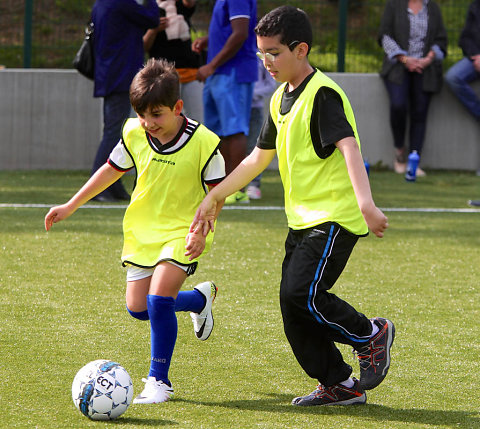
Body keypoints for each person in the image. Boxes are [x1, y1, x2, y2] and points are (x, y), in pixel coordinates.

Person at [189, 6, 394, 406]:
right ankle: (338, 384)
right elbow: (255, 159)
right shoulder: (280, 99)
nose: (266, 62)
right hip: (302, 221)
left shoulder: (323, 94)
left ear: (301, 50)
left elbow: (348, 146)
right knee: (292, 306)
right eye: (261, 53)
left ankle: (372, 335)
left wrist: (367, 204)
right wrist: (216, 195)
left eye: (275, 53)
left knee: (302, 294)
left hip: (335, 218)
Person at [45, 59, 226, 404]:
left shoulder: (205, 143)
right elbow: (111, 170)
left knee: (158, 300)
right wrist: (70, 205)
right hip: (143, 230)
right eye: (142, 114)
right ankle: (199, 300)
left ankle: (159, 382)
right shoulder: (134, 132)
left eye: (156, 115)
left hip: (184, 231)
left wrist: (203, 231)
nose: (148, 123)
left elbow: (219, 194)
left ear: (177, 107)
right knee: (139, 308)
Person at [90, 0, 160, 202]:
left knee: (116, 130)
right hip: (121, 75)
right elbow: (152, 19)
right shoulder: (121, 3)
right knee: (114, 132)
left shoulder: (101, 4)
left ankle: (113, 185)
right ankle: (100, 186)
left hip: (109, 74)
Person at [192, 0, 258, 204]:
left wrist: (211, 65)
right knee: (217, 133)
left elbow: (240, 34)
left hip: (232, 73)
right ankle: (220, 187)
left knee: (234, 130)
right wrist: (208, 40)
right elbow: (229, 31)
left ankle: (236, 190)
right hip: (220, 73)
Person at [378, 0, 447, 176]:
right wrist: (405, 59)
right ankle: (400, 153)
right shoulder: (394, 5)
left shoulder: (432, 7)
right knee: (398, 104)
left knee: (420, 112)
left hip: (425, 68)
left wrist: (427, 59)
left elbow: (441, 39)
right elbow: (384, 36)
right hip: (398, 67)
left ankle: (414, 162)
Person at [143, 0, 205, 122]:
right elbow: (144, 47)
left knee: (198, 122)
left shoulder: (179, 4)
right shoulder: (149, 8)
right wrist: (153, 30)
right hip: (162, 76)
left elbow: (190, 3)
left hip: (190, 72)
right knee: (167, 122)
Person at [246, 58, 277, 200]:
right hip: (234, 105)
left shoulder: (261, 57)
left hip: (254, 108)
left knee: (254, 144)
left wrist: (253, 94)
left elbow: (271, 84)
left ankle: (254, 184)